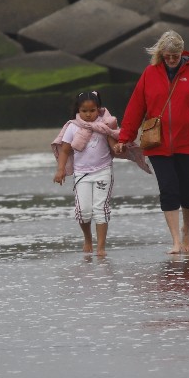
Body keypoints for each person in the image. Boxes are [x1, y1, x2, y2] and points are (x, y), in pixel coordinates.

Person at [116, 31, 189, 255]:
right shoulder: (149, 74)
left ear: (181, 53)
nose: (172, 60)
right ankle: (176, 240)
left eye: (175, 56)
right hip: (157, 144)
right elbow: (136, 107)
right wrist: (124, 137)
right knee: (168, 190)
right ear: (161, 54)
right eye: (168, 56)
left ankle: (187, 231)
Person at [52, 89, 122, 255]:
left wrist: (119, 147)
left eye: (92, 110)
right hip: (81, 174)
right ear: (78, 110)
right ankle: (88, 239)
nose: (88, 114)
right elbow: (65, 150)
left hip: (103, 171)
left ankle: (101, 247)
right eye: (84, 111)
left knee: (100, 209)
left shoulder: (105, 126)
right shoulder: (72, 127)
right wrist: (60, 170)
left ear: (98, 108)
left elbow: (113, 145)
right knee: (83, 211)